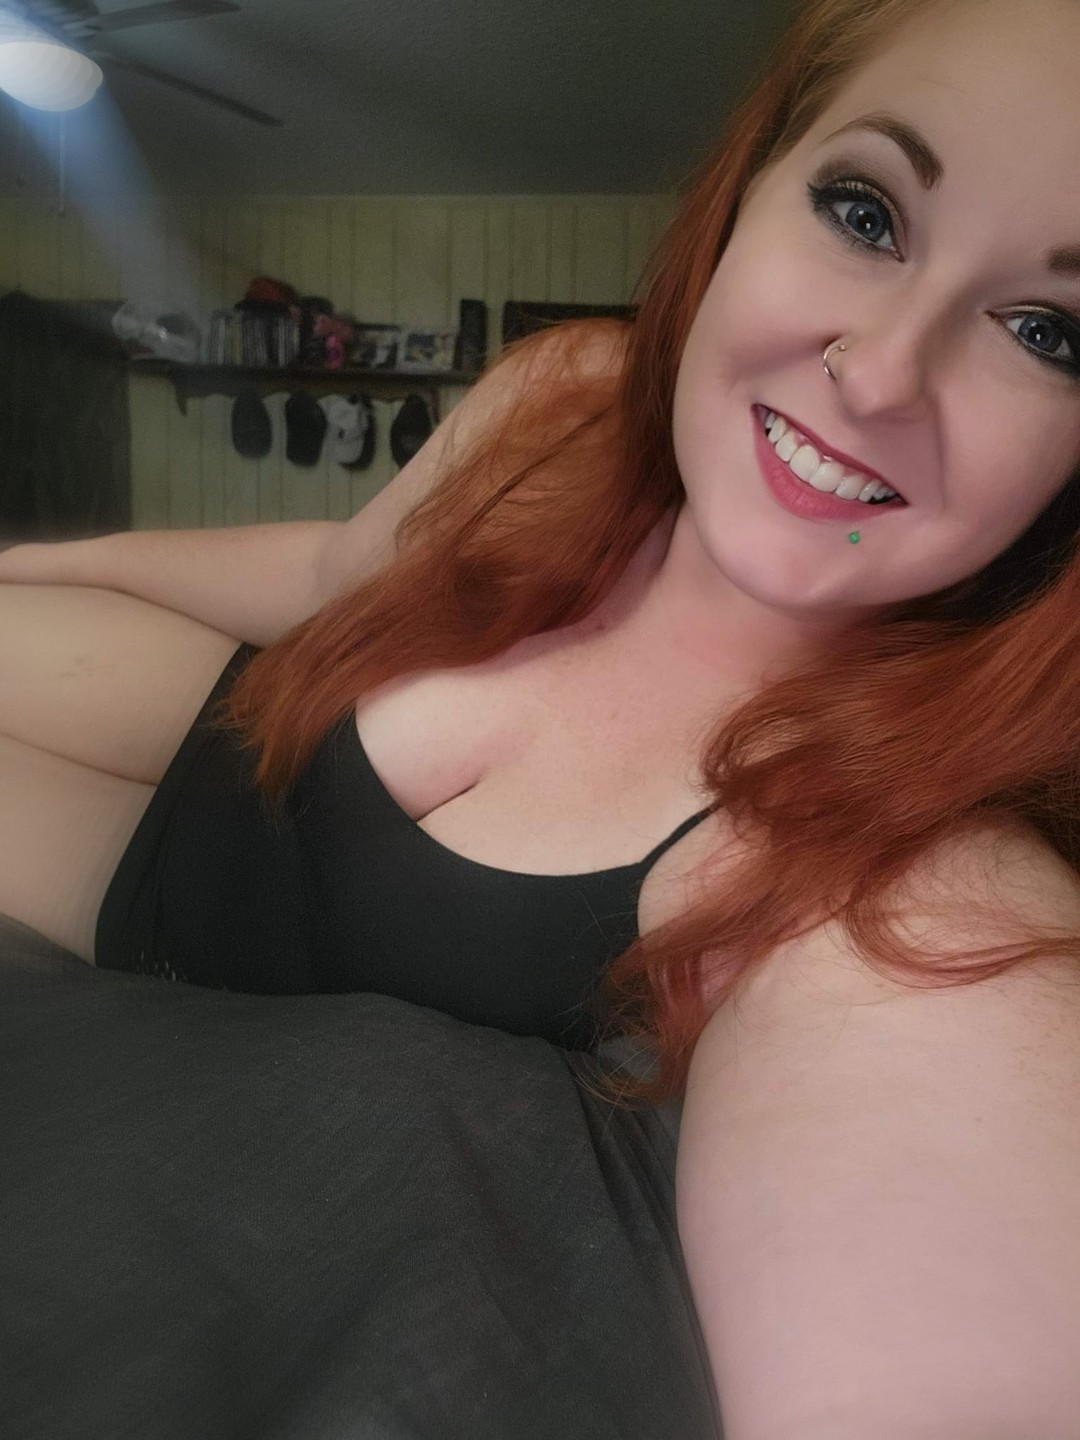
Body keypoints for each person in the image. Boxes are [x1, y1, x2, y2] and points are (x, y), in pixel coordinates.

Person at [4, 0, 1080, 1431]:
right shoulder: (570, 396)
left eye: (1048, 331)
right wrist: (46, 556)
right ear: (749, 186)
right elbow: (332, 571)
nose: (881, 374)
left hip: (146, 904)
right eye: (864, 212)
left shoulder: (921, 883)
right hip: (229, 723)